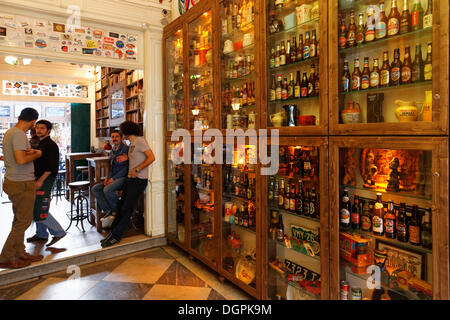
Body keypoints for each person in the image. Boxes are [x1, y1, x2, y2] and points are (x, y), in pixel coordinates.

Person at [0, 108, 43, 269]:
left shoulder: (11, 132)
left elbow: (16, 156)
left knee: (19, 220)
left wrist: (29, 153)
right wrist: (37, 153)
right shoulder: (18, 134)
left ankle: (19, 252)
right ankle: (5, 257)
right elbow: (20, 159)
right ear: (33, 121)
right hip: (21, 182)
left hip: (15, 180)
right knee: (23, 221)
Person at [101, 121, 155, 248]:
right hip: (130, 179)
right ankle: (113, 233)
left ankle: (116, 236)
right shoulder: (131, 143)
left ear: (126, 131)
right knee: (121, 206)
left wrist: (137, 169)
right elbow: (136, 157)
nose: (121, 134)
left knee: (127, 208)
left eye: (122, 131)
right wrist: (127, 158)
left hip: (139, 180)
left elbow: (151, 157)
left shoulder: (140, 140)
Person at [26, 120, 67, 247]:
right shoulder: (39, 143)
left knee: (39, 208)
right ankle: (41, 234)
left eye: (42, 128)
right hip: (38, 178)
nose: (39, 130)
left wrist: (40, 181)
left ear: (48, 130)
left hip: (45, 179)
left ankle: (59, 232)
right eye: (37, 128)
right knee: (35, 205)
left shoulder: (51, 145)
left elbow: (51, 167)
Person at [92, 130, 129, 228]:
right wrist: (107, 178)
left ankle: (117, 213)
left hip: (124, 177)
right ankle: (109, 211)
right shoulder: (113, 150)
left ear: (121, 138)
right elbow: (112, 167)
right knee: (96, 188)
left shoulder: (125, 149)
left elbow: (126, 168)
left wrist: (113, 179)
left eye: (117, 136)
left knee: (107, 189)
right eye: (112, 137)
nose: (114, 139)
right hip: (114, 177)